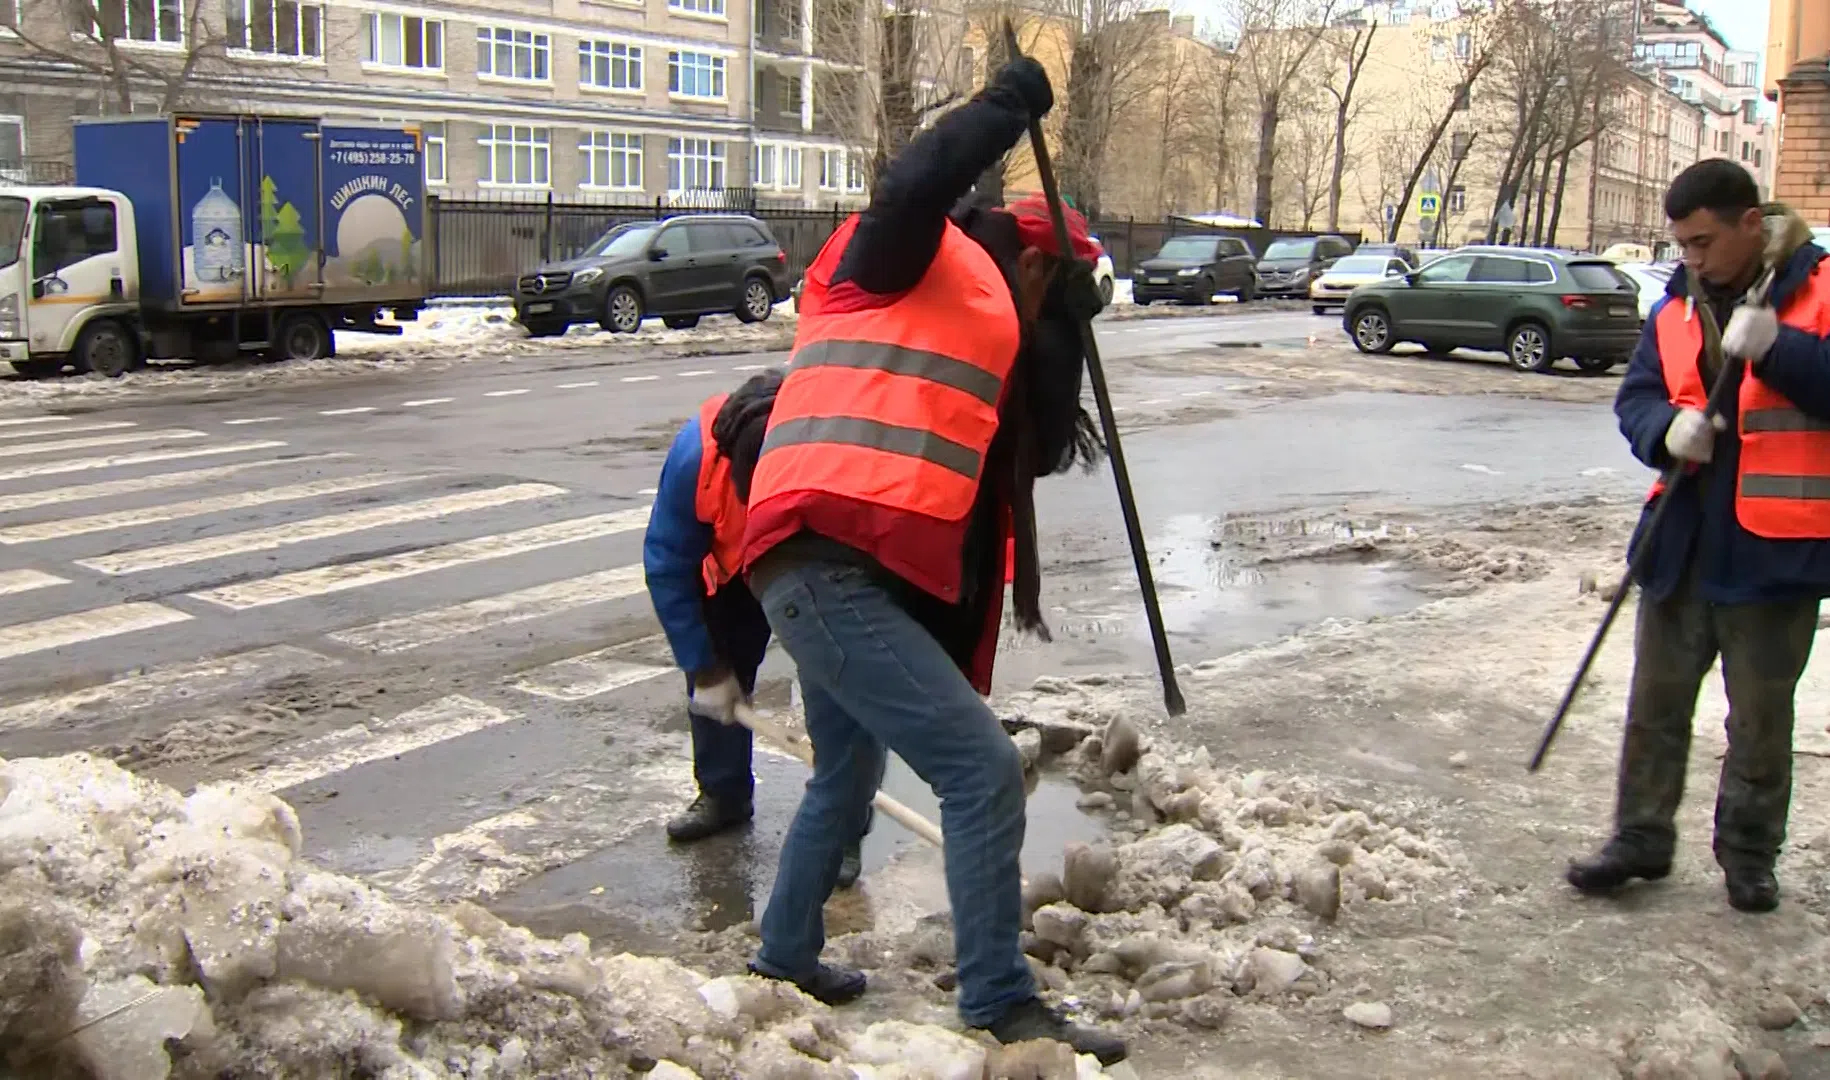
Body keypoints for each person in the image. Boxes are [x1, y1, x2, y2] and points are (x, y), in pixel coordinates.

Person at [735, 55, 1126, 1066]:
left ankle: (783, 955)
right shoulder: (909, 254)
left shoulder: (985, 325)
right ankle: (999, 997)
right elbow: (910, 181)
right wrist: (1005, 109)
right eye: (1055, 282)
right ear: (1032, 261)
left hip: (835, 569)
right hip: (821, 562)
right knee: (982, 770)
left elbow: (982, 493)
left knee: (847, 775)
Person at [1568, 157, 1830, 914]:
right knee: (1655, 703)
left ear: (1752, 224)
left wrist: (1778, 348)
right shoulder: (1676, 306)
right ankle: (1640, 838)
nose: (1691, 258)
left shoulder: (1818, 290)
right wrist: (1665, 430)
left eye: (1704, 242)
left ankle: (1749, 854)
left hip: (1775, 549)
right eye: (1681, 243)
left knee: (1757, 719)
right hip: (1679, 539)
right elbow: (1637, 397)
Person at [642, 369, 878, 889]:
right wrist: (704, 667)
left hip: (816, 566)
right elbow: (666, 563)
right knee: (715, 666)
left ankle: (843, 828)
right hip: (731, 572)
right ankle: (724, 795)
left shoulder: (837, 450)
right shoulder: (695, 459)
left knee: (842, 692)